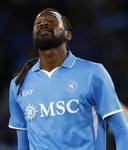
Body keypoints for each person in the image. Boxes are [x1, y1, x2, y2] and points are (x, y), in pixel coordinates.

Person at [8, 8, 128, 150]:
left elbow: (121, 131)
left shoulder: (93, 73)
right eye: (38, 23)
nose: (43, 23)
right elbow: (23, 144)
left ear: (68, 34)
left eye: (51, 21)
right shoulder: (19, 85)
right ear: (33, 39)